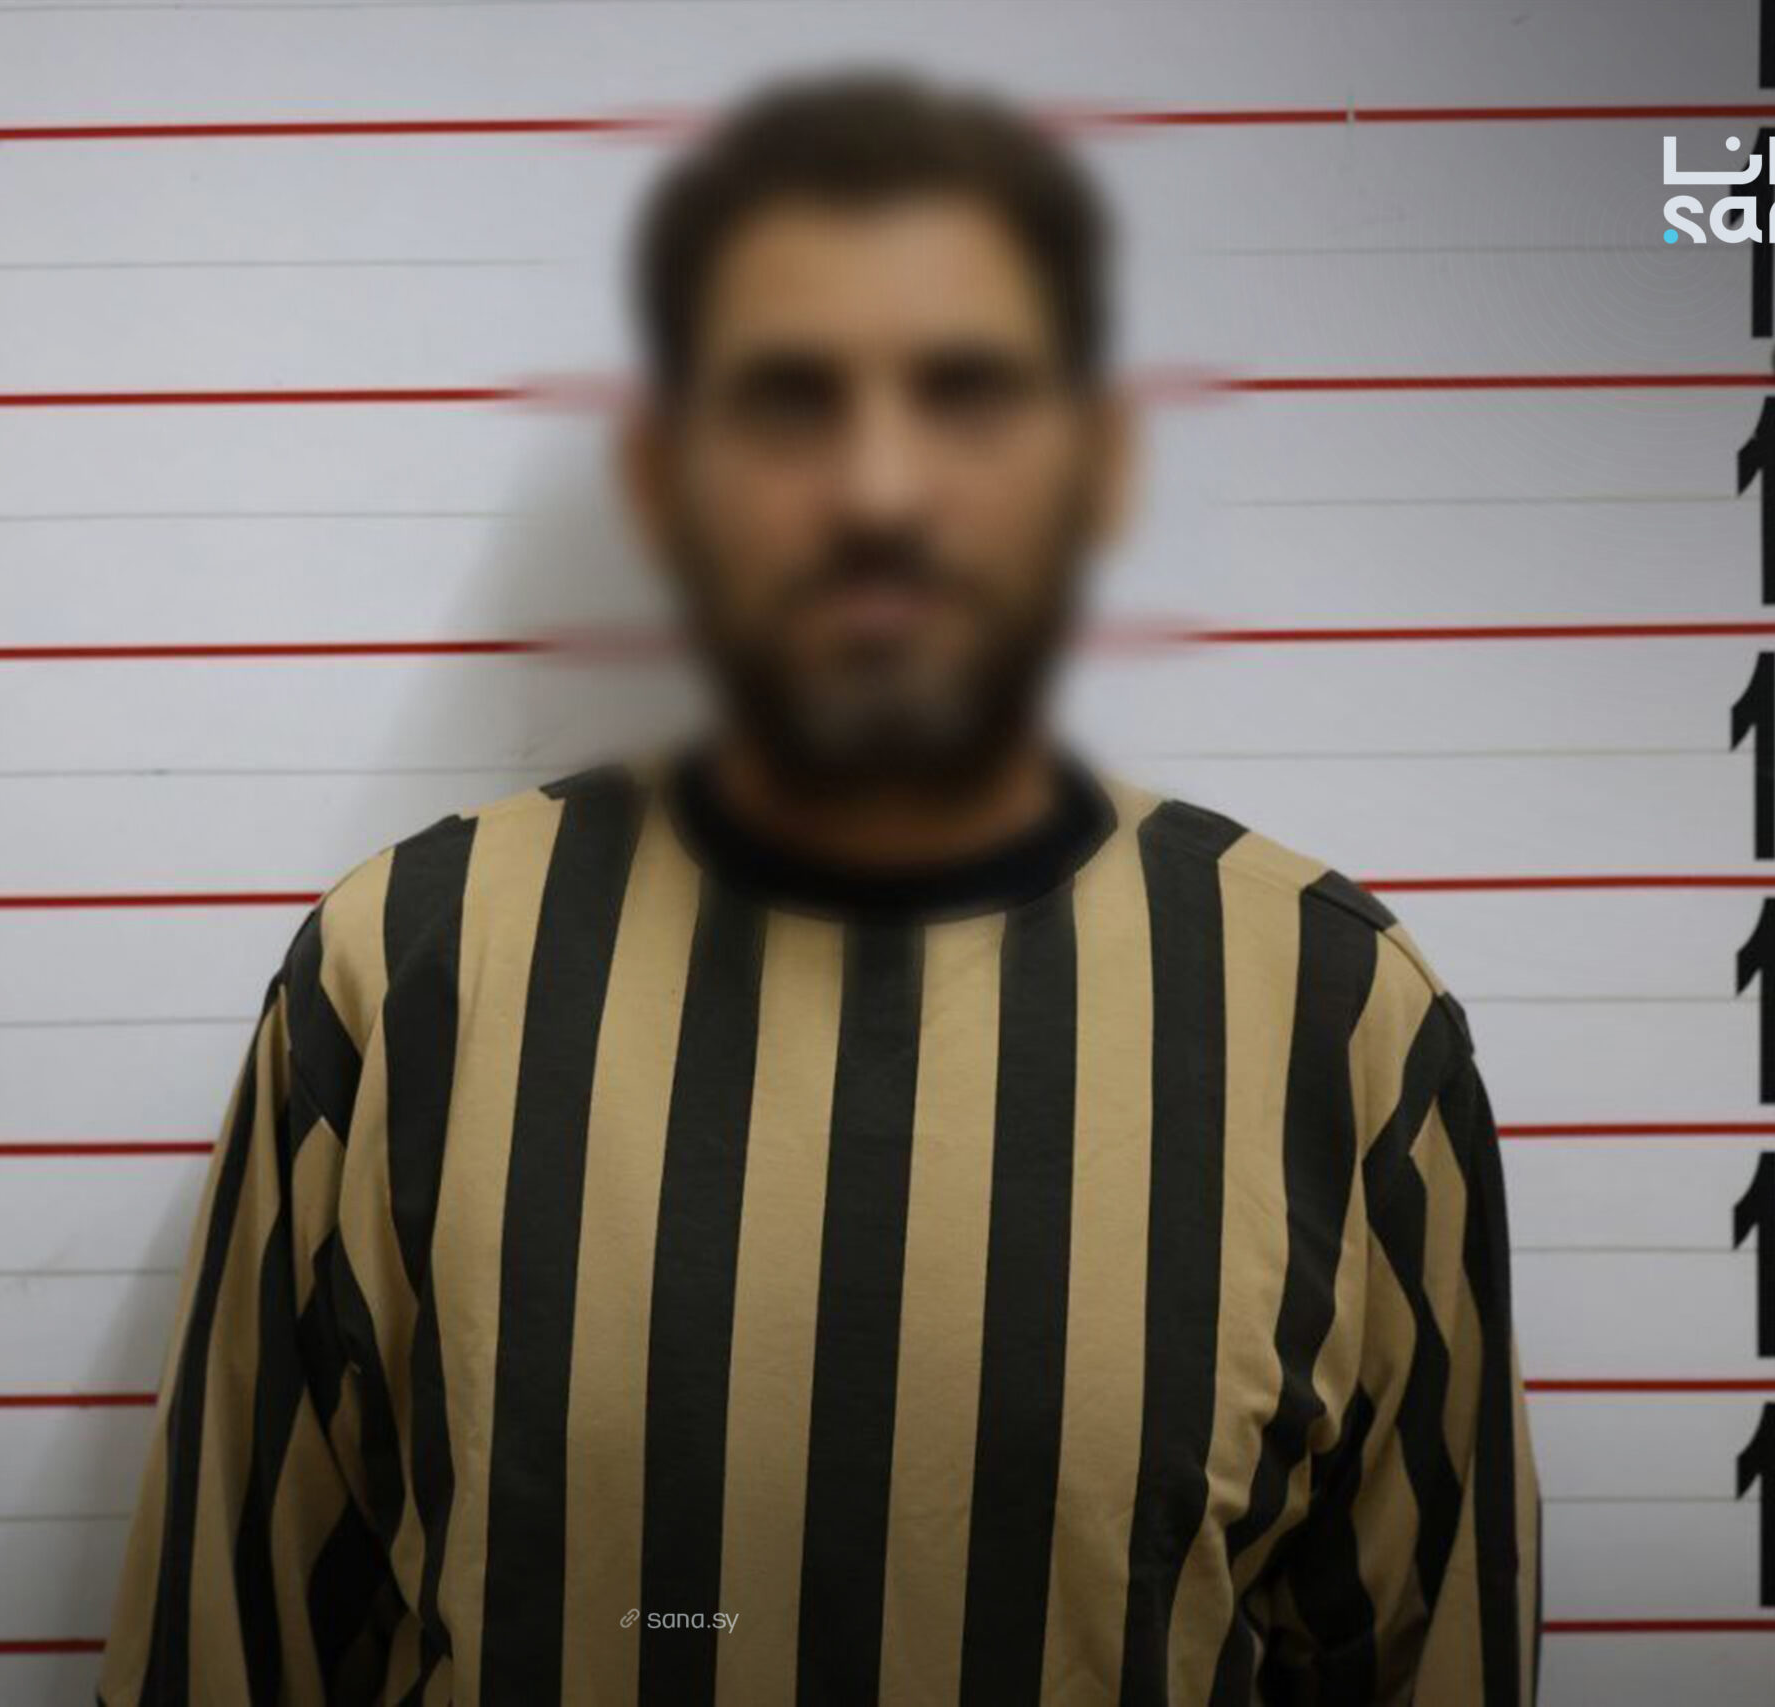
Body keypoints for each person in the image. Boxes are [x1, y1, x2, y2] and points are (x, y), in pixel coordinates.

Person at [97, 71, 1538, 1707]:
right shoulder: (405, 981)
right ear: (664, 476)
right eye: (787, 401)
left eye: (970, 394)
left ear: (1099, 464)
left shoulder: (1333, 1017)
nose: (879, 493)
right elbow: (221, 1664)